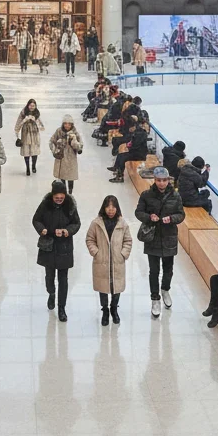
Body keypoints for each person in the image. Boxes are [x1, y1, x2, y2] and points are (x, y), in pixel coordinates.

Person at [134, 167, 184, 318]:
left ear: (168, 180)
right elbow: (138, 212)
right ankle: (155, 298)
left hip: (169, 237)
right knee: (154, 271)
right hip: (153, 237)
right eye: (158, 180)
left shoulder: (175, 196)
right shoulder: (146, 195)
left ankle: (165, 289)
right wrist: (150, 217)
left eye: (164, 180)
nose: (161, 183)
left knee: (168, 269)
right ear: (154, 180)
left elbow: (181, 214)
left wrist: (172, 219)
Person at [33, 181, 81, 322]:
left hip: (64, 247)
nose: (59, 200)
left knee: (63, 279)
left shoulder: (70, 206)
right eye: (56, 198)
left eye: (61, 197)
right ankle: (51, 292)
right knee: (49, 276)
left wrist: (67, 231)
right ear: (52, 196)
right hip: (48, 245)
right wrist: (42, 229)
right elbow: (36, 219)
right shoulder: (45, 205)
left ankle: (61, 308)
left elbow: (76, 223)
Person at [85, 196, 132, 326]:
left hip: (117, 262)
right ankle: (105, 310)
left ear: (117, 208)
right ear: (104, 208)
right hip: (102, 261)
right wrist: (96, 252)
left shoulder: (122, 224)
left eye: (113, 207)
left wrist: (123, 254)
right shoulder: (96, 223)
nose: (111, 210)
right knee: (103, 287)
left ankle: (114, 308)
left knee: (116, 287)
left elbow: (128, 241)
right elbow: (90, 239)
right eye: (108, 207)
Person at [107, 115, 147, 183]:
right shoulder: (137, 132)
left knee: (123, 158)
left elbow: (136, 145)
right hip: (136, 152)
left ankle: (120, 177)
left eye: (130, 128)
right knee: (120, 155)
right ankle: (116, 167)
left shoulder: (139, 133)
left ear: (133, 127)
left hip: (139, 154)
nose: (129, 130)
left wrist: (129, 146)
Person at [49, 116, 83, 193]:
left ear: (72, 125)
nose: (67, 125)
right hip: (61, 156)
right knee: (62, 174)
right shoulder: (59, 131)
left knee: (71, 175)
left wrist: (73, 141)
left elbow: (80, 146)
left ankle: (70, 191)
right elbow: (51, 141)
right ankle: (63, 191)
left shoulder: (75, 133)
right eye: (65, 123)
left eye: (69, 124)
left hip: (71, 157)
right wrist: (55, 150)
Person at [15, 99, 45, 175]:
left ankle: (33, 166)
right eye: (30, 105)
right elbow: (18, 124)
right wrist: (25, 120)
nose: (31, 107)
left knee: (35, 151)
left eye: (33, 106)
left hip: (34, 134)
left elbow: (42, 127)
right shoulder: (23, 112)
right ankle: (27, 168)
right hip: (25, 134)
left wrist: (35, 120)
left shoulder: (37, 113)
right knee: (26, 152)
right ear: (28, 105)